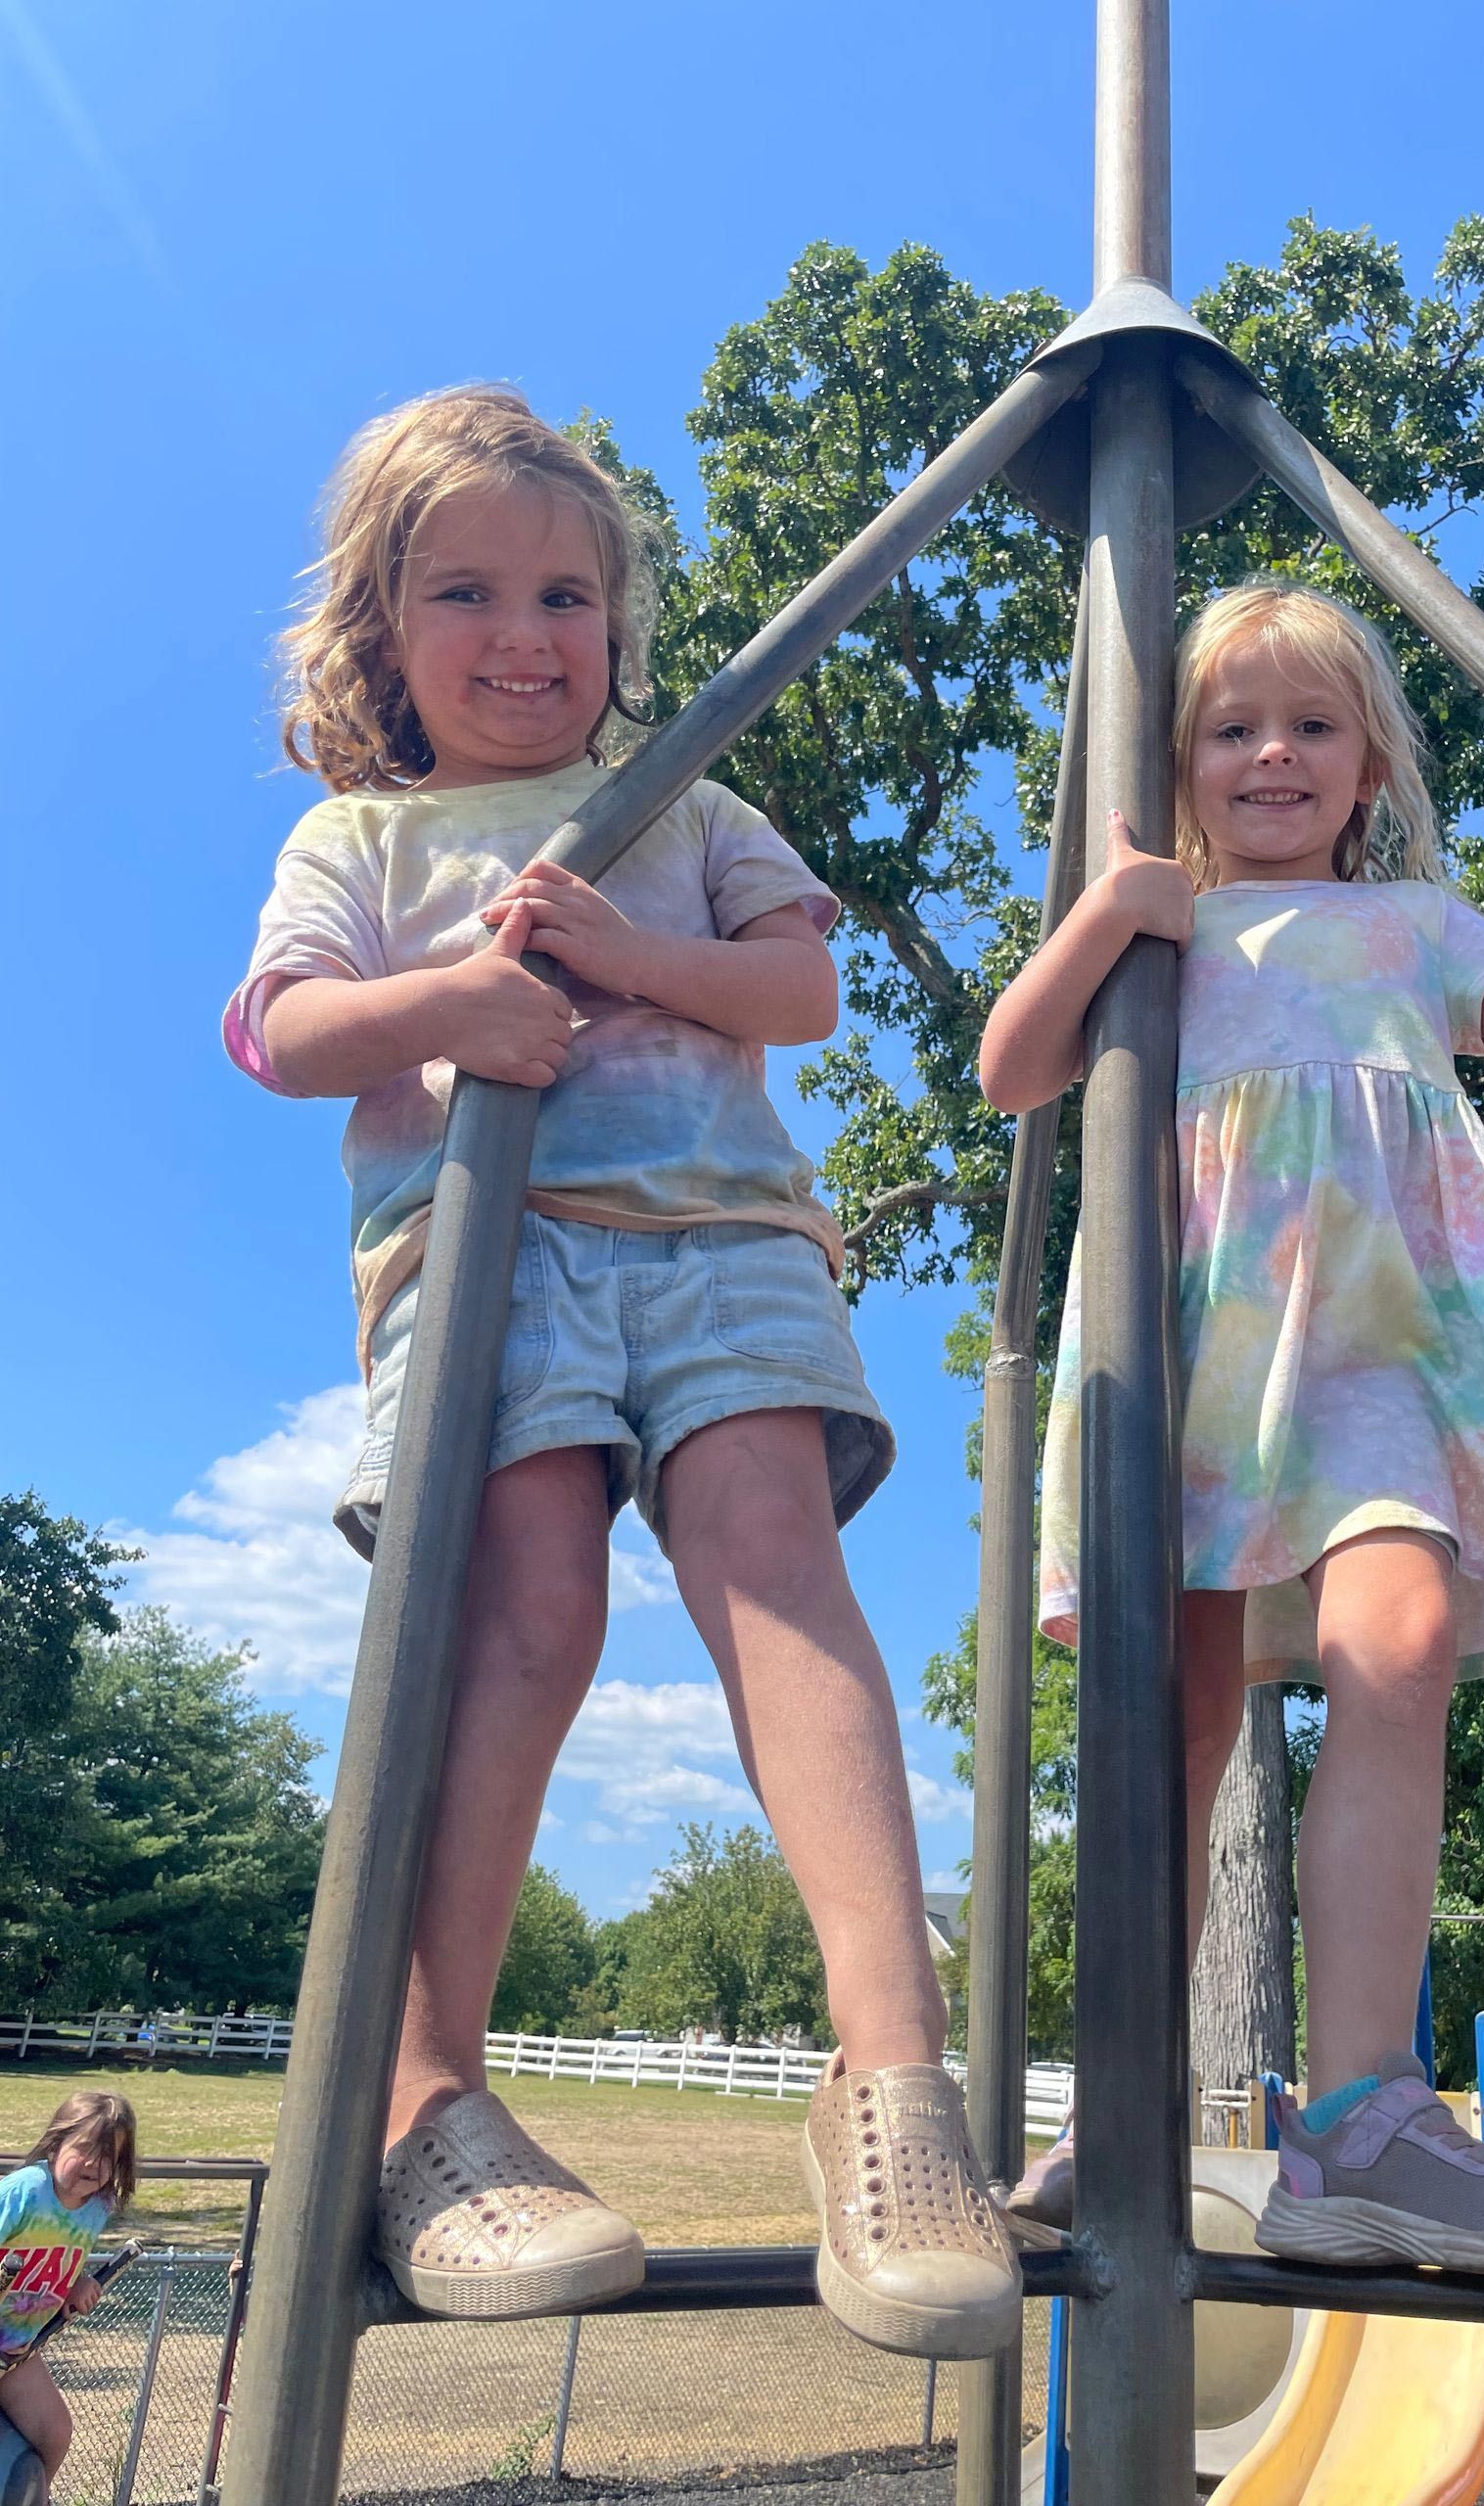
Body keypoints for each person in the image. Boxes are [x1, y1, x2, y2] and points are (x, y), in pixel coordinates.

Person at [226, 385, 1018, 2358]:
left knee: (776, 1563)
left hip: (722, 1236)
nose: (526, 633)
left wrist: (626, 952)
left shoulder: (689, 803)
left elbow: (802, 986)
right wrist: (452, 1000)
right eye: (468, 590)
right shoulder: (363, 832)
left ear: (619, 625)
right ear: (379, 634)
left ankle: (893, 2085)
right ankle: (429, 2101)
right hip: (485, 1261)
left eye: (568, 593)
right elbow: (284, 1029)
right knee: (528, 1608)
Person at [982, 578, 1484, 2270]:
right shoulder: (1161, 936)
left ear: (1368, 764)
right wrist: (1100, 913)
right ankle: (1127, 2089)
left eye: (1311, 725)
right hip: (1191, 1342)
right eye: (1231, 728)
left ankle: (1363, 2109)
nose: (1271, 753)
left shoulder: (1416, 924)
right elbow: (1012, 1069)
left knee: (1404, 1634)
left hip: (1376, 1347)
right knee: (1179, 1704)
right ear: (1181, 760)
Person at [0, 2094, 137, 2485]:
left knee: (54, 2433)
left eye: (108, 2155)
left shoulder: (98, 2206)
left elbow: (62, 2259)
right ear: (56, 2143)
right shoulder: (24, 2191)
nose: (95, 2164)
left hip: (16, 2349)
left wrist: (75, 2282)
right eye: (84, 2148)